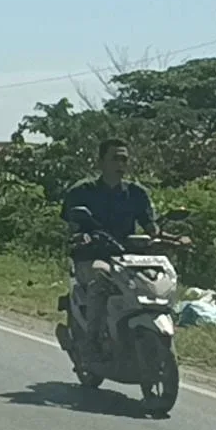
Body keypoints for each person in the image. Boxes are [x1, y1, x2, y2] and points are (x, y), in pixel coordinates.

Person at [61, 139, 160, 361]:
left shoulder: (136, 193)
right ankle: (91, 341)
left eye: (124, 159)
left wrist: (169, 238)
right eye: (115, 158)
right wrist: (82, 237)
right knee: (101, 277)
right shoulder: (82, 192)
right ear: (101, 162)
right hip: (93, 257)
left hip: (128, 259)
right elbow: (73, 227)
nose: (120, 164)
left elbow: (151, 227)